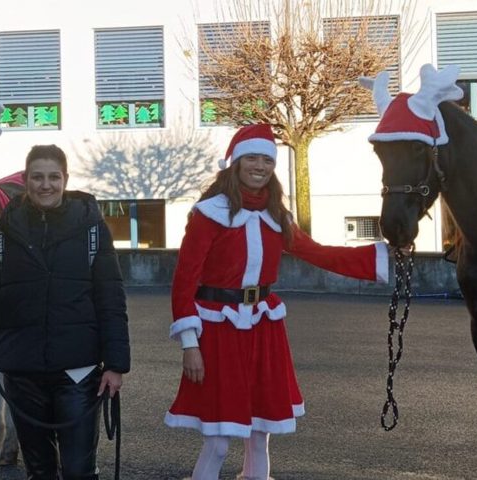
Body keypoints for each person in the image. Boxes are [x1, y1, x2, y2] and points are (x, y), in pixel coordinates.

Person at [165, 124, 388, 480]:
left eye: (267, 159)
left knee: (260, 434)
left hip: (263, 328)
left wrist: (385, 258)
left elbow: (318, 253)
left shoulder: (276, 215)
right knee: (220, 439)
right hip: (218, 332)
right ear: (235, 163)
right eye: (251, 157)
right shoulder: (209, 214)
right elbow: (183, 282)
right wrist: (190, 344)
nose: (260, 166)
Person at [0, 144, 130, 480]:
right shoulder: (5, 231)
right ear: (27, 179)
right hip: (24, 370)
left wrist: (117, 365)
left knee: (78, 470)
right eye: (37, 177)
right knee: (39, 470)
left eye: (53, 177)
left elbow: (111, 297)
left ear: (65, 179)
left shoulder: (92, 228)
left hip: (78, 370)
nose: (45, 184)